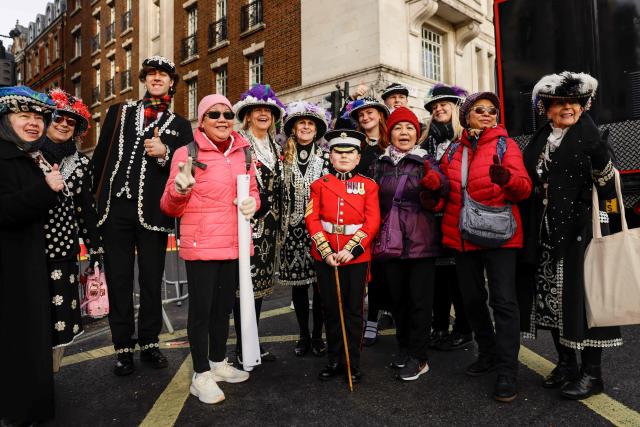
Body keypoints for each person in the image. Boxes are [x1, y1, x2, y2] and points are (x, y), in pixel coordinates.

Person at [517, 71, 622, 400]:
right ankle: (566, 364)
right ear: (546, 109)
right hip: (545, 235)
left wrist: (607, 227)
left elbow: (607, 186)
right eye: (559, 103)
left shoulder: (590, 135)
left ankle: (592, 375)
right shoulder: (538, 140)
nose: (567, 108)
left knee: (586, 303)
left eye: (573, 102)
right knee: (550, 302)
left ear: (583, 105)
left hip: (583, 235)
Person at [91, 56, 193, 376]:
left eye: (163, 75)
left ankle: (149, 344)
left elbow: (186, 173)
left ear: (172, 83)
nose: (157, 78)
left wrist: (164, 156)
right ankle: (122, 348)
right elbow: (99, 159)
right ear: (144, 80)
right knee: (119, 281)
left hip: (153, 213)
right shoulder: (120, 112)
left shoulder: (180, 126)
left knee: (151, 281)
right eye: (151, 74)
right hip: (115, 211)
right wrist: (93, 210)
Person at [161, 94, 258, 404]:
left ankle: (217, 363)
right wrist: (179, 189)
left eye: (227, 114)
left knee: (223, 309)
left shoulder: (243, 152)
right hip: (202, 245)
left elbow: (253, 190)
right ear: (201, 121)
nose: (222, 119)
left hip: (234, 245)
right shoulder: (185, 153)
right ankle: (200, 375)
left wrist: (252, 203)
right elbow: (169, 206)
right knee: (201, 312)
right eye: (213, 114)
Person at [440, 92, 532, 402]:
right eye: (479, 110)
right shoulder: (453, 150)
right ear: (465, 116)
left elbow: (524, 189)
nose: (487, 115)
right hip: (463, 236)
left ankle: (507, 371)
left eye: (492, 111)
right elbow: (443, 195)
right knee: (472, 301)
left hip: (501, 236)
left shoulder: (507, 145)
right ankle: (488, 353)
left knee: (504, 303)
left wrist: (507, 180)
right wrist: (431, 189)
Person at [370, 106, 448, 381]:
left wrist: (435, 184)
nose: (404, 133)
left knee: (420, 302)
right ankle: (404, 349)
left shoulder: (426, 160)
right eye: (398, 128)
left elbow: (443, 188)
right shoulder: (380, 163)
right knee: (398, 301)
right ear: (389, 133)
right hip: (390, 242)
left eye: (410, 128)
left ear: (418, 133)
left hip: (420, 242)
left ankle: (420, 357)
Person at [0, 86, 58, 425]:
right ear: (7, 119)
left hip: (29, 260)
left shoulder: (28, 154)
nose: (35, 123)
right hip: (10, 266)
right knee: (16, 340)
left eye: (39, 117)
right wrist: (44, 189)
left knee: (33, 337)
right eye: (25, 116)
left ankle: (32, 407)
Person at [305, 129, 380, 384]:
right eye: (339, 152)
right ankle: (334, 359)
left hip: (355, 257)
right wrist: (326, 251)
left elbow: (372, 222)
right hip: (326, 256)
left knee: (353, 311)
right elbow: (312, 219)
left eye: (350, 153)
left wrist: (351, 250)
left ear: (358, 158)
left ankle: (352, 362)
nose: (344, 157)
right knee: (330, 310)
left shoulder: (369, 186)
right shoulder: (319, 185)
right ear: (331, 156)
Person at [38, 89, 102, 372]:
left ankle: (50, 376)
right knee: (31, 318)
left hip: (65, 254)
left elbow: (85, 210)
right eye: (59, 118)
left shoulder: (81, 163)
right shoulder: (28, 154)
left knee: (61, 319)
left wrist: (96, 250)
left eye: (71, 122)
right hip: (29, 251)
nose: (64, 124)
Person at [232, 84, 285, 366]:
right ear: (248, 116)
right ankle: (243, 348)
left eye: (268, 110)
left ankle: (252, 344)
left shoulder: (275, 146)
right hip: (246, 226)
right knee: (243, 290)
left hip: (270, 230)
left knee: (259, 290)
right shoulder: (239, 143)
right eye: (258, 110)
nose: (263, 114)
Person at [421, 84, 473, 351]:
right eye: (434, 107)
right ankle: (439, 326)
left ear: (456, 109)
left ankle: (464, 328)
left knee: (458, 278)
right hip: (432, 220)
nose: (438, 109)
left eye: (444, 105)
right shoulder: (425, 142)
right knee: (437, 278)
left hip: (457, 216)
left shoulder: (464, 141)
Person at [279, 101, 330, 356]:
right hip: (291, 233)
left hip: (318, 231)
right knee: (298, 288)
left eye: (310, 124)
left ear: (316, 129)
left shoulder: (326, 158)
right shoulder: (282, 158)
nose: (306, 127)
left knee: (320, 287)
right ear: (294, 129)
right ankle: (303, 335)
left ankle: (319, 336)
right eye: (302, 123)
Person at [345, 96, 392, 346]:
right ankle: (369, 320)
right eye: (360, 115)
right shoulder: (356, 146)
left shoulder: (390, 143)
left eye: (369, 112)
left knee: (386, 272)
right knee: (366, 272)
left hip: (389, 215)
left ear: (380, 115)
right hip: (361, 214)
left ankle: (384, 313)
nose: (365, 117)